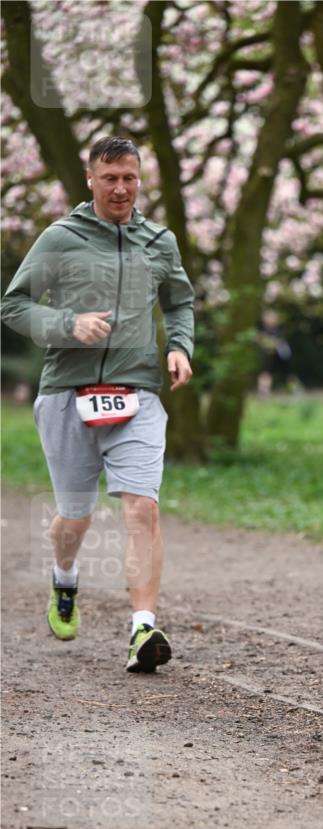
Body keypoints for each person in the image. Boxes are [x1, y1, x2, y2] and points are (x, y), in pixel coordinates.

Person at [1, 136, 195, 674]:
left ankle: (142, 628)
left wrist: (179, 347)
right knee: (76, 517)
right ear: (90, 179)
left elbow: (180, 301)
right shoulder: (60, 238)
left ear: (140, 178)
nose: (121, 188)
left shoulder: (158, 240)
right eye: (109, 178)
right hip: (67, 393)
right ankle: (65, 578)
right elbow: (12, 305)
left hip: (137, 395)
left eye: (129, 177)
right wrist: (67, 325)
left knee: (141, 506)